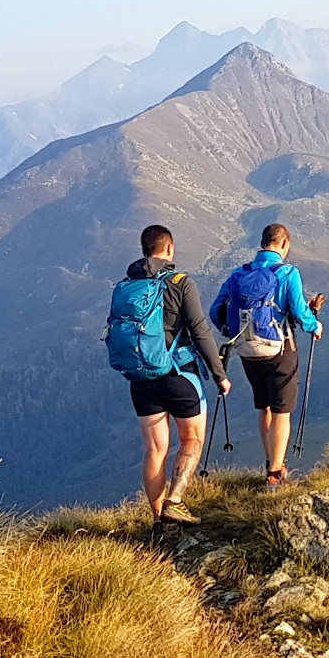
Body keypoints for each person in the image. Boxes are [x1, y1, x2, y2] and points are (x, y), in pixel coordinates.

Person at [103, 224, 229, 525]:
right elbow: (199, 330)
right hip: (179, 376)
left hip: (141, 380)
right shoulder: (180, 282)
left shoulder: (126, 286)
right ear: (169, 249)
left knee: (154, 449)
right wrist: (219, 374)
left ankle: (159, 520)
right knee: (192, 439)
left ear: (145, 249)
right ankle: (175, 501)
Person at [211, 221, 324, 485]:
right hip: (279, 349)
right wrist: (314, 326)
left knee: (264, 407)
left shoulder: (239, 273)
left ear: (263, 243)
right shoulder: (288, 273)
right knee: (282, 409)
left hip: (247, 350)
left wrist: (231, 332)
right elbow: (297, 310)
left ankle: (269, 461)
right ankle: (276, 472)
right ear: (284, 244)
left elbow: (216, 309)